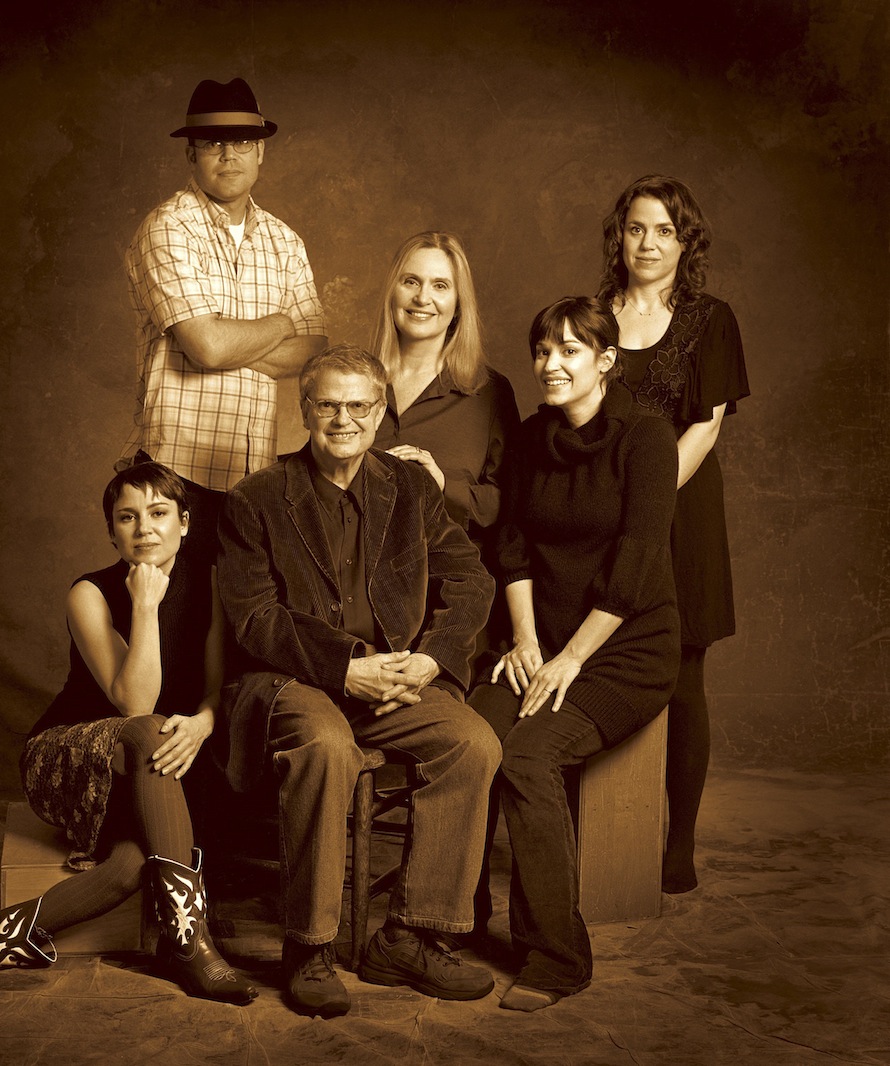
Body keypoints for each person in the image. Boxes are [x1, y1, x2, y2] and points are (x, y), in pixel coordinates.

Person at [0, 461, 256, 1005]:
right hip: (73, 755)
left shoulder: (209, 580)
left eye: (159, 514)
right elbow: (135, 704)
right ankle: (194, 945)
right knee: (147, 729)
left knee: (131, 866)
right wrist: (145, 605)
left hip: (157, 760)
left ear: (185, 522)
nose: (145, 529)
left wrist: (207, 721)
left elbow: (213, 688)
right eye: (127, 517)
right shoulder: (88, 593)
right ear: (111, 530)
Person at [217, 344, 502, 1018]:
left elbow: (472, 579)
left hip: (397, 678)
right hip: (296, 682)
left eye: (358, 406)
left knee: (474, 744)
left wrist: (431, 659)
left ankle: (408, 936)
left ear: (379, 416)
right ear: (305, 410)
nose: (342, 419)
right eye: (327, 405)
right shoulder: (256, 499)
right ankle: (308, 947)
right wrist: (346, 667)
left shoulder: (409, 488)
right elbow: (254, 619)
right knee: (326, 747)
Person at [469, 297, 680, 1011]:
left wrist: (571, 662)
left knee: (530, 756)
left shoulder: (646, 439)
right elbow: (514, 546)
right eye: (541, 351)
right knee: (475, 737)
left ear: (606, 360)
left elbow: (639, 565)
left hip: (626, 649)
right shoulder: (532, 438)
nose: (549, 365)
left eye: (568, 351)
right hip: (545, 638)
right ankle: (448, 924)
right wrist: (528, 644)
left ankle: (557, 956)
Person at [598, 175, 750, 893]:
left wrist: (649, 507)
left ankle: (677, 844)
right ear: (618, 236)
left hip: (679, 515)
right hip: (602, 514)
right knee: (601, 663)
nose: (648, 243)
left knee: (683, 679)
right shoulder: (592, 317)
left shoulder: (709, 318)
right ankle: (598, 832)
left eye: (664, 230)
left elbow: (707, 423)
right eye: (636, 228)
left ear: (685, 242)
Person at [120, 77, 327, 491]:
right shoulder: (168, 227)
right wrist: (283, 324)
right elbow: (207, 347)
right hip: (173, 473)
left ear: (261, 151)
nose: (229, 156)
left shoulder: (284, 241)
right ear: (191, 154)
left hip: (253, 477)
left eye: (242, 143)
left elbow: (314, 351)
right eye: (214, 144)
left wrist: (220, 340)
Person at [371, 231, 519, 550]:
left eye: (440, 285)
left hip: (448, 589)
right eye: (411, 281)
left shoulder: (490, 393)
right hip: (348, 585)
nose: (422, 298)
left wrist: (441, 484)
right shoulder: (353, 382)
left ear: (458, 303)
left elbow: (508, 504)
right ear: (392, 292)